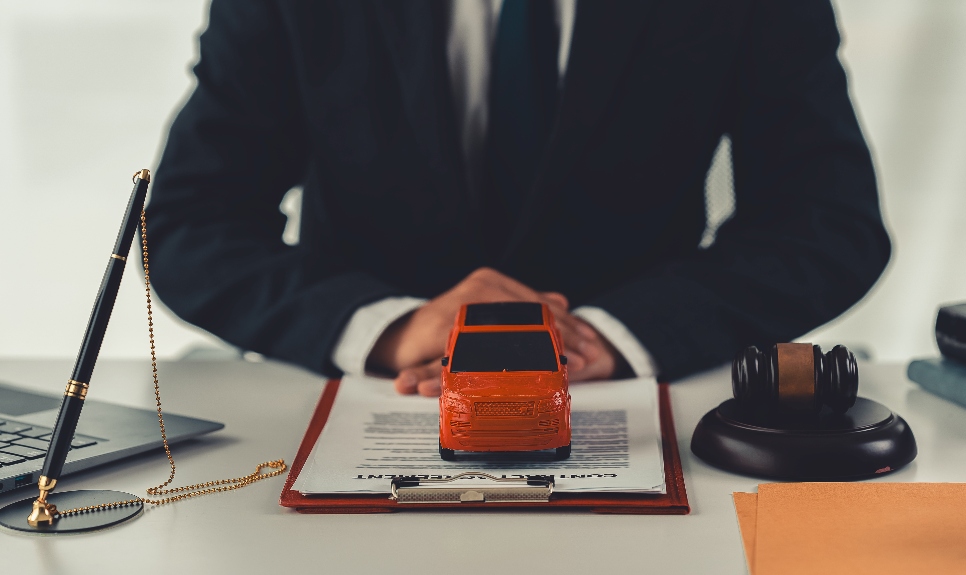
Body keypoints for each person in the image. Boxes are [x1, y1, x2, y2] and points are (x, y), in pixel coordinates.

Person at [145, 0, 891, 396]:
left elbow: (827, 219)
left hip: (630, 404)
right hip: (372, 400)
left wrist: (611, 336)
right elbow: (191, 223)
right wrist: (389, 327)